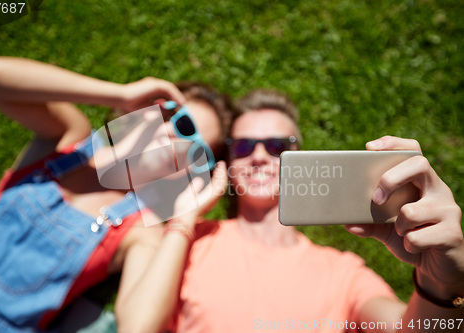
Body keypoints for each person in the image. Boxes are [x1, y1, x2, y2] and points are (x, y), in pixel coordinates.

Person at [115, 89, 464, 332]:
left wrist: (441, 284)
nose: (260, 156)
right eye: (245, 146)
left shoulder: (342, 272)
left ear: (301, 160)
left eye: (278, 146)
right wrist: (185, 215)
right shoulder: (185, 242)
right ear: (227, 162)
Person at [0, 56, 233, 332]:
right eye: (184, 126)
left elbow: (138, 327)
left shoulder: (140, 228)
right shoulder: (69, 138)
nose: (181, 147)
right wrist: (121, 94)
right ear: (158, 110)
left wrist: (184, 219)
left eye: (198, 152)